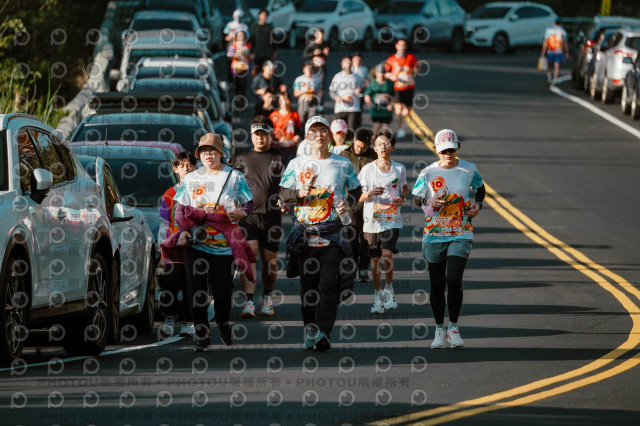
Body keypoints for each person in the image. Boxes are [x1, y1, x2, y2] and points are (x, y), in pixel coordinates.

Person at [279, 116, 362, 351]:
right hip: (305, 234)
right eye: (313, 132)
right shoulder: (296, 164)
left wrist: (348, 203)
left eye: (323, 131)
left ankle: (324, 332)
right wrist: (299, 192)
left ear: (329, 135)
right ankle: (310, 327)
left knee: (328, 284)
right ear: (307, 137)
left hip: (333, 233)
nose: (319, 136)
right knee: (309, 287)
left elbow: (357, 190)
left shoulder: (342, 164)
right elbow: (283, 194)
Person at [173, 133, 257, 351]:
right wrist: (183, 231)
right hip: (196, 243)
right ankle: (202, 335)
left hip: (224, 246)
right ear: (199, 155)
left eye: (212, 151)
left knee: (222, 291)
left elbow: (249, 203)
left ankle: (222, 322)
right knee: (196, 290)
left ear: (221, 153)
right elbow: (180, 209)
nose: (208, 155)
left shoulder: (234, 177)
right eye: (204, 151)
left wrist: (241, 213)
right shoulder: (191, 178)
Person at [411, 129, 485, 349]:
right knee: (437, 284)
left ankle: (453, 328)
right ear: (437, 151)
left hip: (461, 232)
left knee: (453, 280)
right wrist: (429, 201)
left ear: (457, 148)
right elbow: (415, 199)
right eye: (443, 151)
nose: (448, 154)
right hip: (434, 235)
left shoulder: (469, 169)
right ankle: (439, 330)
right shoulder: (428, 172)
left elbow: (480, 189)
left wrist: (477, 204)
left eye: (451, 150)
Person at [233, 116, 289, 318]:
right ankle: (248, 301)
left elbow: (289, 184)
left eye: (264, 134)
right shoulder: (242, 159)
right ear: (251, 135)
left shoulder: (280, 158)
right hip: (248, 215)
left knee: (269, 261)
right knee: (250, 255)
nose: (260, 138)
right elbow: (231, 184)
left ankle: (267, 297)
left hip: (272, 216)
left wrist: (287, 200)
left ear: (271, 135)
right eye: (256, 134)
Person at [358, 129, 408, 314]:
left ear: (392, 147)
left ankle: (389, 289)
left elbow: (405, 188)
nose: (383, 147)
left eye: (386, 143)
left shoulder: (400, 169)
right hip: (371, 221)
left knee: (387, 253)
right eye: (379, 144)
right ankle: (377, 294)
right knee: (375, 257)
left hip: (391, 219)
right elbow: (358, 196)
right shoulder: (367, 170)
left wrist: (402, 198)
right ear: (374, 148)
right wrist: (370, 193)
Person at [158, 152, 197, 337]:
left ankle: (187, 322)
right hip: (173, 249)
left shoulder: (202, 193)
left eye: (190, 166)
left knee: (191, 287)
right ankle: (169, 318)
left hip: (195, 247)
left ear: (196, 168)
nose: (186, 169)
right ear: (175, 169)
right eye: (182, 166)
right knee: (169, 285)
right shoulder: (169, 195)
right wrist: (162, 249)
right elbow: (164, 224)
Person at [340, 127, 377, 282]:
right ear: (353, 141)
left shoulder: (374, 157)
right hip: (350, 203)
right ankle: (353, 264)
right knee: (352, 236)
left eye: (363, 147)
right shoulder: (344, 155)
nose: (359, 149)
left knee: (367, 238)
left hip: (369, 203)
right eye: (357, 146)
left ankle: (363, 268)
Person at [385, 38, 419, 138]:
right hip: (398, 87)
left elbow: (418, 70)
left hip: (409, 86)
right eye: (400, 45)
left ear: (406, 47)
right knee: (398, 110)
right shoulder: (391, 59)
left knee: (408, 110)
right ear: (396, 46)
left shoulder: (410, 58)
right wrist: (392, 76)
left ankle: (403, 123)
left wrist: (412, 69)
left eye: (404, 45)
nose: (402, 47)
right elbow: (385, 73)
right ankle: (400, 129)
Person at [329, 56, 363, 131]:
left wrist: (360, 91)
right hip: (341, 108)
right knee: (340, 129)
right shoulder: (337, 76)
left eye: (349, 62)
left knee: (351, 130)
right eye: (345, 62)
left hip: (354, 108)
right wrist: (336, 98)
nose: (348, 64)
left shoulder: (357, 77)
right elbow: (331, 91)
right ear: (342, 64)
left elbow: (363, 89)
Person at [303, 29, 330, 111]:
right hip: (314, 68)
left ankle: (320, 105)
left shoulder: (325, 44)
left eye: (321, 35)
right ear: (315, 34)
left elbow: (326, 55)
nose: (320, 36)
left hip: (322, 68)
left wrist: (326, 53)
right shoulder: (312, 44)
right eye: (318, 34)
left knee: (321, 87)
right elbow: (305, 55)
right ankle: (310, 103)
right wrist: (313, 53)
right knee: (312, 85)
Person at [269, 91, 301, 159]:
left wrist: (297, 136)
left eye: (286, 99)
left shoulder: (295, 114)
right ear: (279, 102)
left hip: (290, 146)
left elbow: (298, 129)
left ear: (290, 101)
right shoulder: (274, 115)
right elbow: (269, 131)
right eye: (282, 100)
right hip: (277, 146)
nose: (284, 102)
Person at [365, 63, 395, 133]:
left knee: (385, 128)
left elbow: (393, 95)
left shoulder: (389, 84)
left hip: (386, 110)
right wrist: (369, 102)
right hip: (376, 109)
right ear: (376, 73)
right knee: (376, 126)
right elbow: (367, 95)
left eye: (383, 73)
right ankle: (375, 138)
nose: (381, 75)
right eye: (380, 73)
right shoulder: (373, 83)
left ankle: (384, 139)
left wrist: (391, 104)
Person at [227, 29, 252, 111]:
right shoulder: (233, 45)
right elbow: (229, 56)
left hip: (245, 67)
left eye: (242, 35)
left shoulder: (248, 45)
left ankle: (243, 101)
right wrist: (236, 55)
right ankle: (237, 101)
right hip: (236, 68)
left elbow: (251, 56)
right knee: (237, 85)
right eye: (239, 35)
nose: (241, 37)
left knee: (244, 85)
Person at [541, 19, 569, 87]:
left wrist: (543, 51)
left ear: (554, 23)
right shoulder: (563, 32)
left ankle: (549, 78)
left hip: (550, 51)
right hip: (559, 51)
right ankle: (555, 80)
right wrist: (566, 52)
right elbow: (565, 43)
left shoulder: (549, 30)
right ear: (560, 23)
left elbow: (545, 42)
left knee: (549, 66)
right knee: (557, 66)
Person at [293, 60, 321, 125]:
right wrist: (305, 90)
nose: (309, 71)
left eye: (311, 69)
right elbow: (295, 93)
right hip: (303, 102)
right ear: (304, 69)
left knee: (312, 122)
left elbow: (319, 91)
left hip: (313, 102)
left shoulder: (316, 79)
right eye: (307, 69)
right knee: (301, 121)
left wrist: (315, 92)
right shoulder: (299, 79)